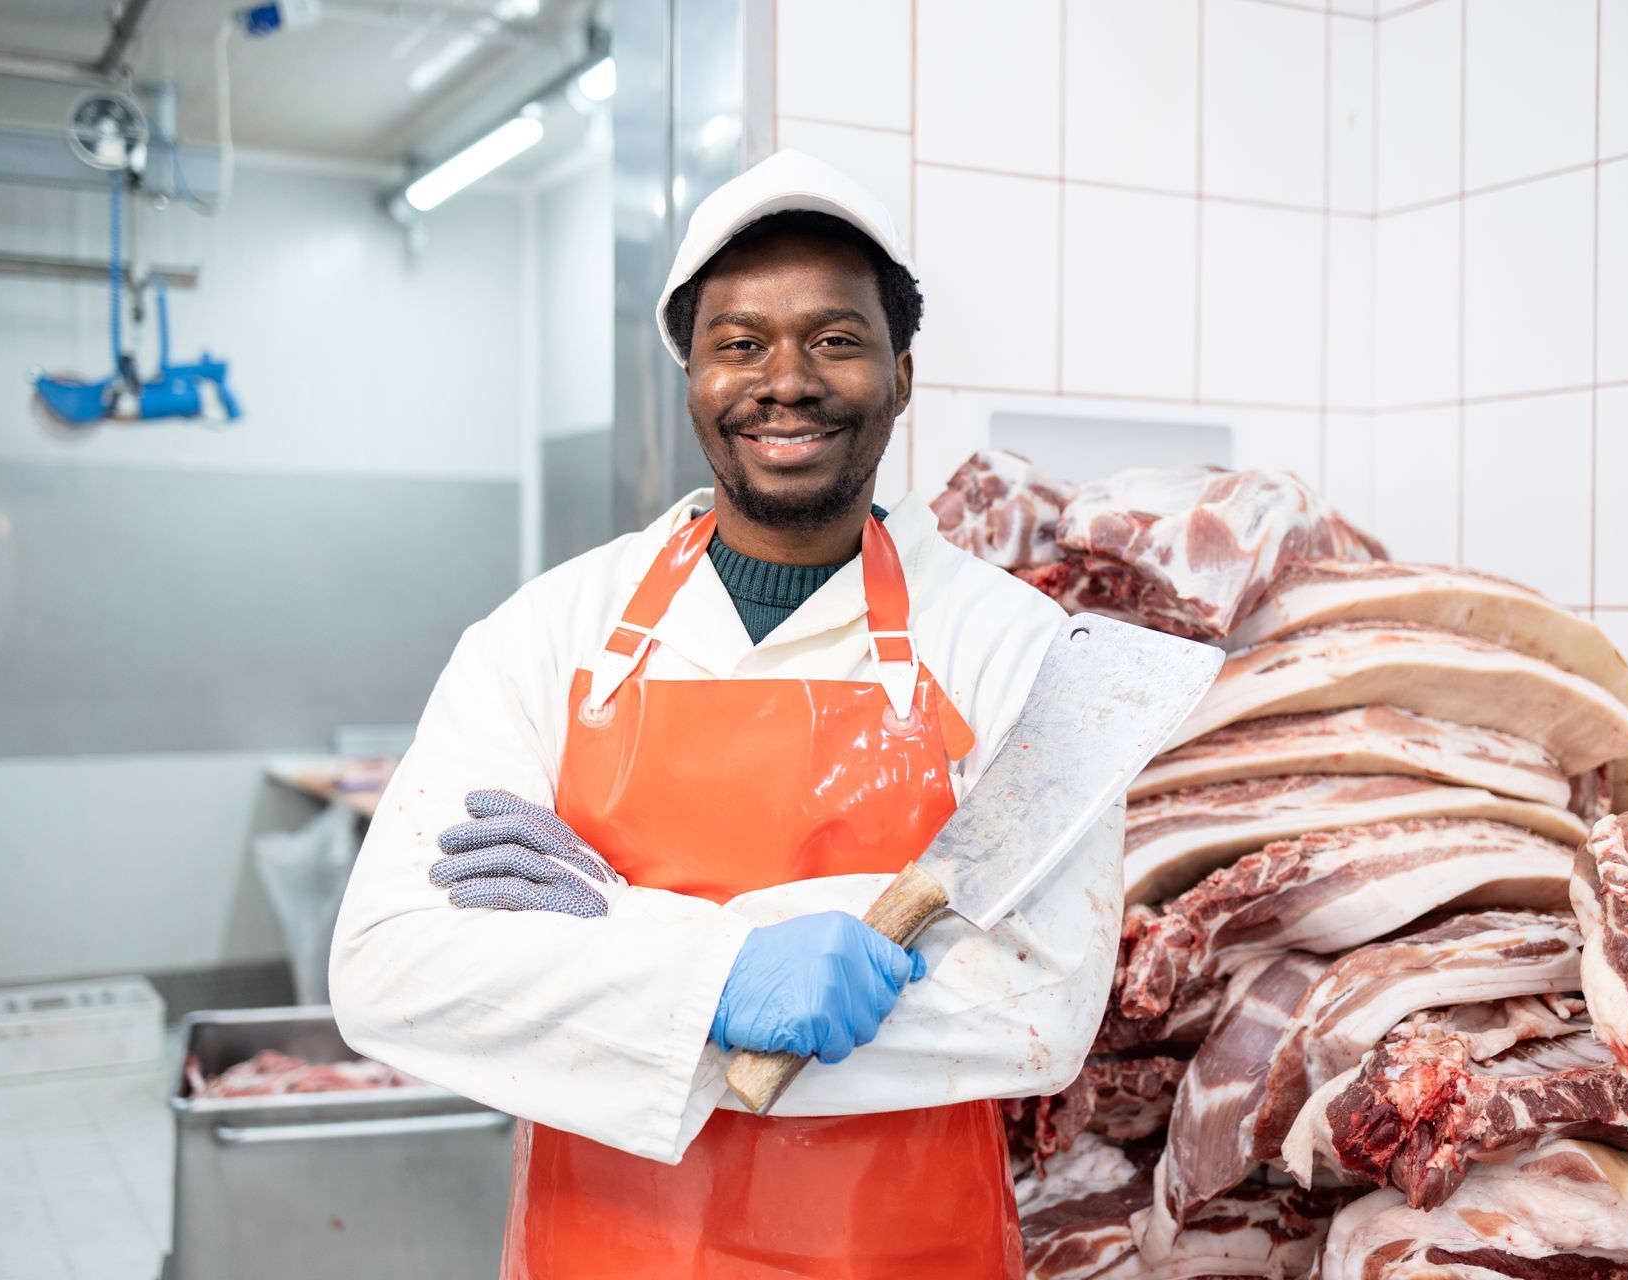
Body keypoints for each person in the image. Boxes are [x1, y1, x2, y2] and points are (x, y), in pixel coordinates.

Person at [329, 150, 1124, 1279]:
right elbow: (392, 964)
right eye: (739, 341)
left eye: (836, 339)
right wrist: (726, 969)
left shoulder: (1017, 647)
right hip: (601, 1249)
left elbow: (1038, 1003)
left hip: (908, 1252)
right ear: (692, 376)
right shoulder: (548, 631)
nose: (784, 379)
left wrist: (605, 924)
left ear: (901, 374)